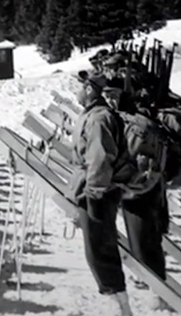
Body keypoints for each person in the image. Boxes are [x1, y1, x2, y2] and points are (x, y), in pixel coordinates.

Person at [67, 69, 133, 316]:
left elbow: (100, 159)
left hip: (99, 192)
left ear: (89, 89)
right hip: (95, 190)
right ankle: (117, 303)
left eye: (79, 86)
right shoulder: (94, 115)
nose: (75, 91)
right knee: (97, 247)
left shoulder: (98, 119)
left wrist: (92, 194)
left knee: (99, 249)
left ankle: (119, 307)